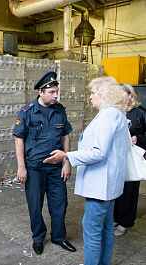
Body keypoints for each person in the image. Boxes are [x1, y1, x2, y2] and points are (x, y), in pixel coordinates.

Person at [43, 76, 129, 265]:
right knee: (105, 228)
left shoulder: (108, 116)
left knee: (91, 230)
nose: (90, 97)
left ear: (104, 95)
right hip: (110, 184)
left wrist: (66, 156)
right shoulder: (116, 114)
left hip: (101, 185)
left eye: (93, 93)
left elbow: (98, 153)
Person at [13, 71, 76, 255]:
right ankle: (38, 238)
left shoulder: (60, 110)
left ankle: (58, 237)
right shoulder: (27, 111)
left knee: (60, 204)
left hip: (56, 168)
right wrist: (21, 167)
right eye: (52, 92)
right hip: (35, 169)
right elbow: (19, 139)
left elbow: (65, 136)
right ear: (41, 92)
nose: (56, 95)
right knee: (35, 206)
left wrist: (67, 161)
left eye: (57, 91)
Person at [114, 83, 146, 236]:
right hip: (118, 157)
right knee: (117, 188)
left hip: (132, 157)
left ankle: (125, 222)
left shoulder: (140, 113)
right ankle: (115, 217)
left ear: (130, 95)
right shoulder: (117, 112)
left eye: (122, 93)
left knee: (129, 191)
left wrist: (137, 138)